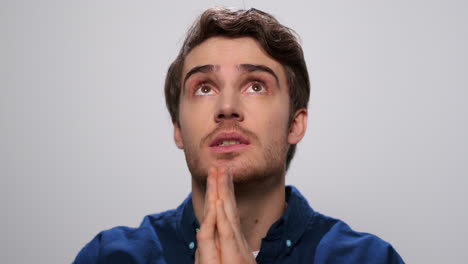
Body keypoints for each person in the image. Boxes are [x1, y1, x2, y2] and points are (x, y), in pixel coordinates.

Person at [74, 7, 404, 264]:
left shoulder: (370, 259)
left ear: (295, 124)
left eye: (255, 86)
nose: (227, 107)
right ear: (177, 128)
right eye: (204, 88)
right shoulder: (110, 257)